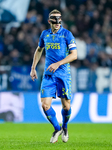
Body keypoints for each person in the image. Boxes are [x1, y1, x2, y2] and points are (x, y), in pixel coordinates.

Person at [30, 9, 77, 143]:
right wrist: (33, 67)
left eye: (59, 19)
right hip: (49, 75)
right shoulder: (45, 34)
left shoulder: (67, 34)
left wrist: (58, 63)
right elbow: (39, 50)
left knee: (66, 107)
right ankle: (57, 128)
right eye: (54, 20)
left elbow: (74, 55)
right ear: (50, 21)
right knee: (45, 105)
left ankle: (65, 127)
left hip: (63, 74)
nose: (57, 22)